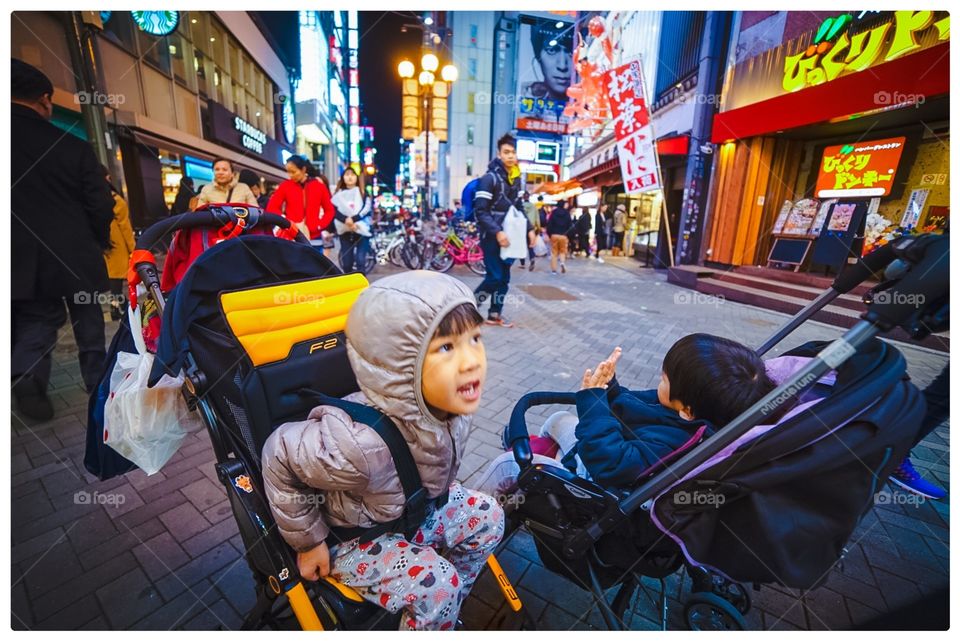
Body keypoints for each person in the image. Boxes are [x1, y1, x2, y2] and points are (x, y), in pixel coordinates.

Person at [262, 272, 504, 631]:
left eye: (474, 339)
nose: (471, 361)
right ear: (400, 367)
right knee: (438, 587)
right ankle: (437, 608)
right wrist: (309, 542)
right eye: (447, 348)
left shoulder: (450, 410)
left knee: (490, 516)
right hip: (356, 540)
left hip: (413, 512)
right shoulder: (360, 446)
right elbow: (279, 453)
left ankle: (440, 618)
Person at [475, 334, 778, 500]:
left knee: (506, 464)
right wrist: (610, 388)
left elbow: (611, 463)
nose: (658, 382)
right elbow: (633, 405)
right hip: (603, 450)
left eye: (664, 380)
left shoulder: (672, 441)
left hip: (595, 481)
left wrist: (594, 401)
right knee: (556, 418)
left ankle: (470, 512)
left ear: (687, 410)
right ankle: (538, 458)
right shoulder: (686, 416)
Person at [12, 59, 115, 419]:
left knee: (34, 317)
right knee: (88, 319)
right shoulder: (71, 146)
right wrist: (100, 241)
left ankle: (27, 370)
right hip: (73, 253)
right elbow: (101, 204)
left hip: (15, 257)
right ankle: (97, 384)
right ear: (43, 99)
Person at [473, 133, 534, 327]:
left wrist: (530, 229)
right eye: (506, 152)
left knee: (504, 278)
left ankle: (494, 314)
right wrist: (497, 232)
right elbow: (480, 211)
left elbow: (518, 208)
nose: (510, 156)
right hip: (492, 236)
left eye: (513, 152)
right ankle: (470, 307)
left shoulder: (515, 180)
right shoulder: (488, 179)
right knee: (495, 276)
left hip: (511, 235)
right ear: (499, 154)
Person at [265, 155, 335, 244]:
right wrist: (286, 221)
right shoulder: (285, 186)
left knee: (314, 258)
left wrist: (319, 225)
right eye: (288, 172)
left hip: (314, 237)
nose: (290, 175)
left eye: (293, 172)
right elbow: (272, 208)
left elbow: (329, 210)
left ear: (303, 169)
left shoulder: (319, 186)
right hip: (292, 235)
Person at [102, 167, 135, 321]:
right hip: (116, 245)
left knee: (113, 280)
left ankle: (116, 306)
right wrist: (133, 248)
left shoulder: (88, 198)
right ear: (107, 177)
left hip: (102, 245)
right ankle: (117, 307)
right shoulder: (115, 199)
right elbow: (125, 227)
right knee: (116, 281)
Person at [331, 167, 373, 274]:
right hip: (344, 231)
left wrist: (353, 220)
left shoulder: (363, 192)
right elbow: (333, 210)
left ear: (356, 177)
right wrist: (346, 220)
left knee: (360, 260)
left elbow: (366, 209)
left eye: (352, 174)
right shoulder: (337, 194)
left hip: (361, 230)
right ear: (343, 177)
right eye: (347, 174)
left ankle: (362, 286)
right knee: (347, 262)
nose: (350, 177)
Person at [521, 20, 573, 105]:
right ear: (538, 57)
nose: (562, 66)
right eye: (551, 50)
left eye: (572, 52)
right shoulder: (525, 95)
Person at [546, 198, 573, 274]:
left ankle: (554, 270)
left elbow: (549, 225)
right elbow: (570, 225)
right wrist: (568, 234)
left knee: (554, 253)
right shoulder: (567, 213)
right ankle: (562, 263)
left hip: (554, 235)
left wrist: (549, 234)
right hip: (563, 236)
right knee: (562, 251)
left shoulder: (553, 213)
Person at [520, 192, 540, 271]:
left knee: (521, 246)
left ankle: (522, 263)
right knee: (530, 245)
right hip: (531, 229)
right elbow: (537, 219)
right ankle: (532, 258)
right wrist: (538, 228)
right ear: (529, 197)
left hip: (521, 228)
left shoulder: (520, 206)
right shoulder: (534, 207)